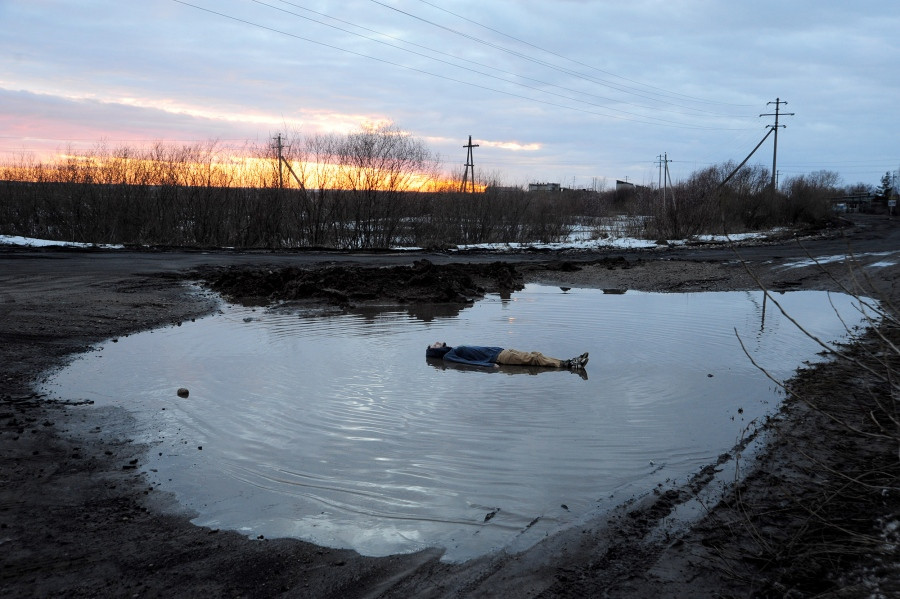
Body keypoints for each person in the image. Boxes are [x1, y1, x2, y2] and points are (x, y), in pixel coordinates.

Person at [425, 341, 588, 370]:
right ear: (433, 351)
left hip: (501, 351)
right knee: (533, 359)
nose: (438, 342)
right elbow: (467, 364)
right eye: (434, 344)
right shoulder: (448, 357)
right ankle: (569, 365)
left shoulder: (451, 350)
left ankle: (569, 361)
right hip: (499, 358)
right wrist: (489, 365)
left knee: (534, 355)